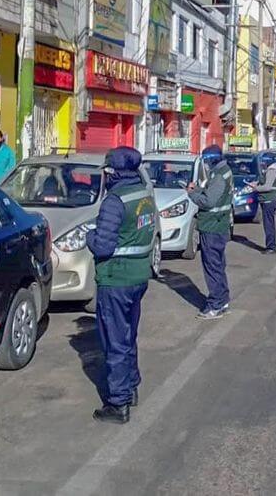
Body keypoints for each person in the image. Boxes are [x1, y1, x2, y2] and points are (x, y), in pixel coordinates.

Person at [86, 147, 155, 424]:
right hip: (139, 276)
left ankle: (118, 403)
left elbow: (102, 247)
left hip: (116, 279)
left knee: (114, 341)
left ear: (113, 172)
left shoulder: (115, 201)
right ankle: (131, 387)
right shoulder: (143, 193)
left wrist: (90, 236)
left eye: (106, 170)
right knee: (128, 335)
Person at [187, 145, 234, 320]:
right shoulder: (224, 171)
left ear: (212, 159)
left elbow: (208, 201)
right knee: (218, 265)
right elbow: (212, 194)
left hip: (212, 227)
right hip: (218, 225)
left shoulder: (219, 176)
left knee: (212, 266)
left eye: (206, 160)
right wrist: (197, 190)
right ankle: (223, 299)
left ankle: (215, 304)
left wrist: (191, 195)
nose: (205, 164)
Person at [248, 152, 276, 254]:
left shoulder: (271, 171)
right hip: (267, 199)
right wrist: (256, 183)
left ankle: (271, 247)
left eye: (264, 160)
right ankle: (270, 245)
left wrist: (256, 188)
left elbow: (267, 187)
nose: (262, 162)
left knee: (269, 225)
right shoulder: (268, 170)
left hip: (269, 200)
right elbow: (264, 182)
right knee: (269, 224)